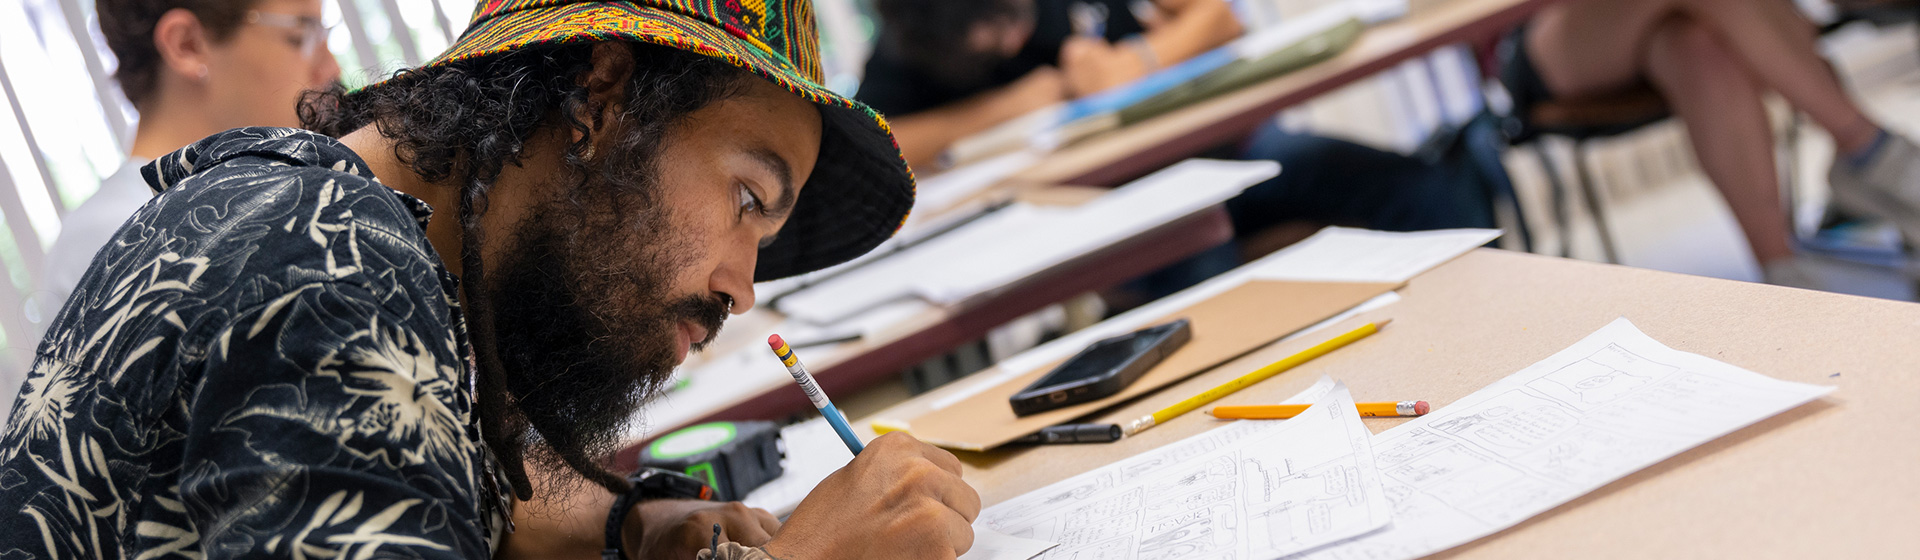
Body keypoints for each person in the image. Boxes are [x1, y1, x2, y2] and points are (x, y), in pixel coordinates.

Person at [0, 1, 977, 560]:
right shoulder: (326, 260)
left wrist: (626, 521)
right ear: (600, 95)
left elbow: (398, 473)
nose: (742, 285)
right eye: (748, 199)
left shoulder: (291, 199)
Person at [1508, 0, 1920, 286]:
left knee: (1695, 46)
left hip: (1684, 25)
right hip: (1541, 32)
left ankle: (1784, 271)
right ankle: (1872, 153)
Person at [30, 0, 342, 338]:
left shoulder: (288, 189)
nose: (331, 69)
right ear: (187, 46)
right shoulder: (119, 238)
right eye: (301, 35)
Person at [857, 0, 1244, 168]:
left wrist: (1137, 60)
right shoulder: (912, 34)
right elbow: (873, 145)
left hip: (1206, 143)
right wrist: (1004, 109)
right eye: (985, 44)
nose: (1011, 43)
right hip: (1093, 199)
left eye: (1009, 16)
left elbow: (1222, 16)